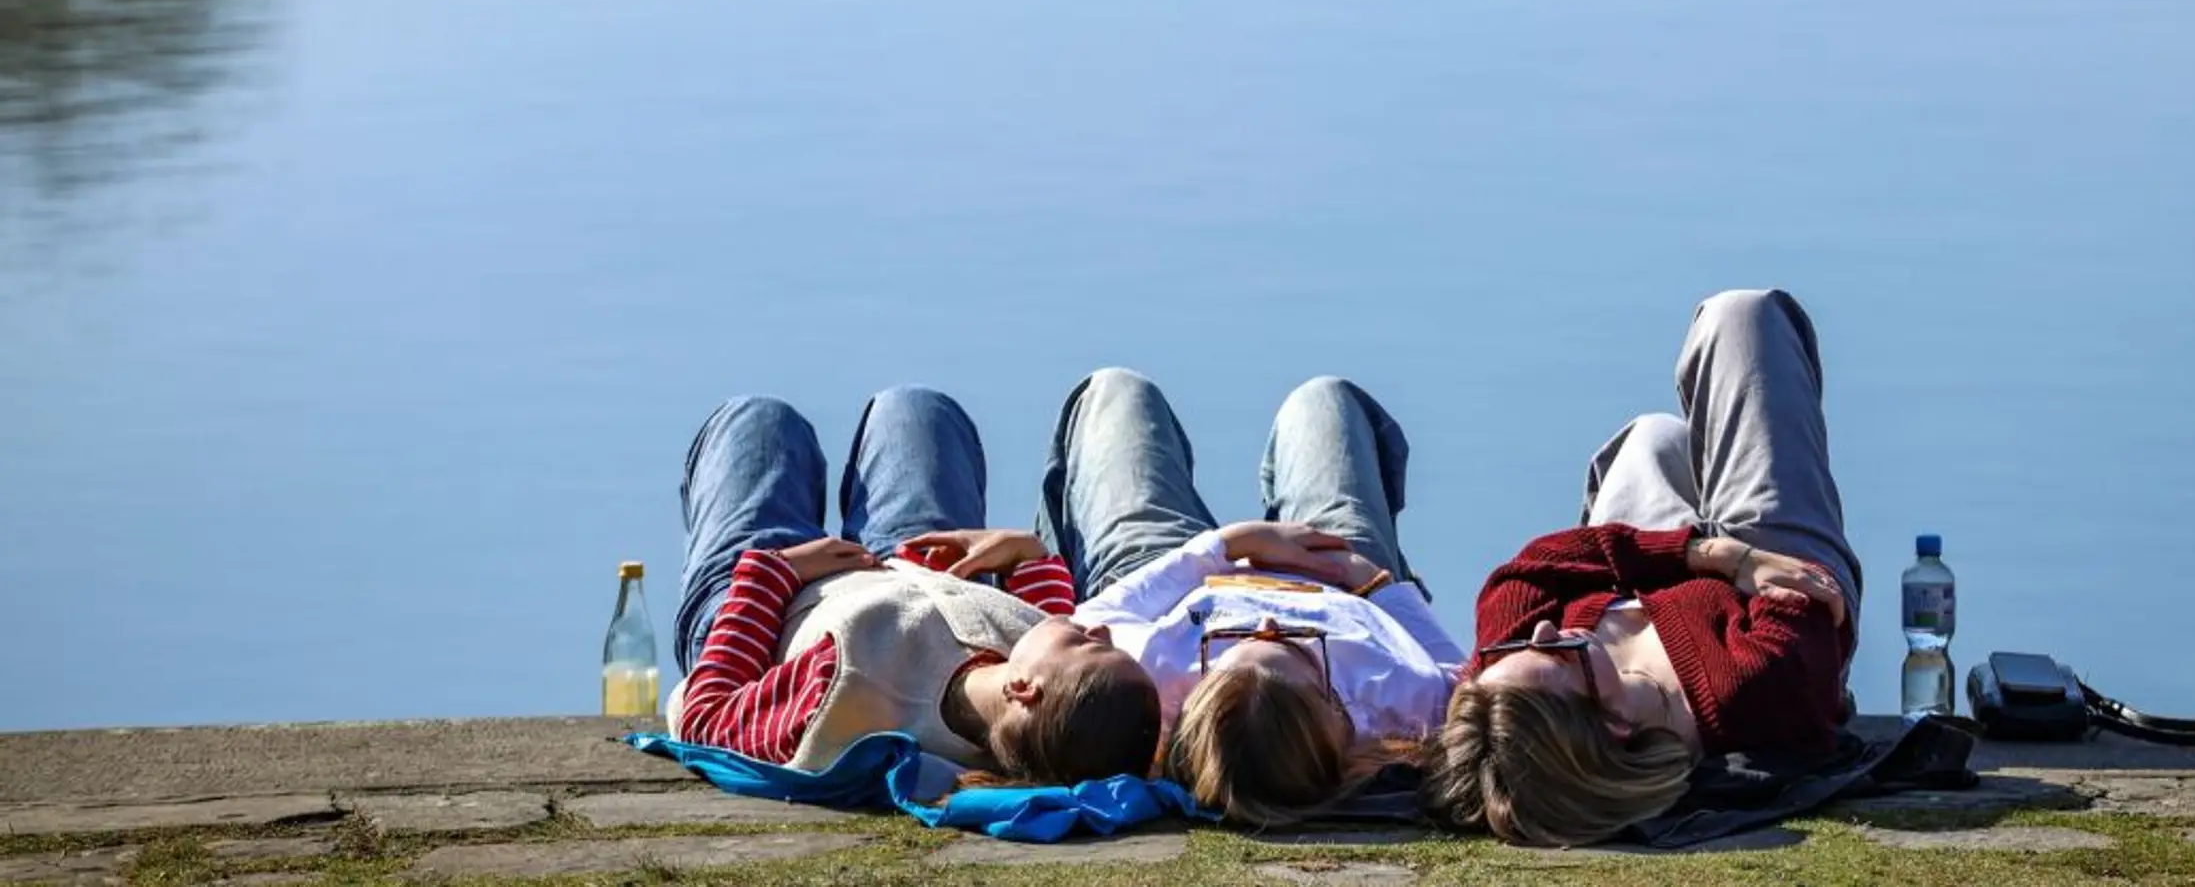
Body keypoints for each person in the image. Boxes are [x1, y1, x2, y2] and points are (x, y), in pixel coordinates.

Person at [1424, 290, 1862, 847]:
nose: (1540, 632)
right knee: (1744, 321)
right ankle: (1717, 490)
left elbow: (1527, 571)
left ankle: (1701, 510)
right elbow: (1799, 603)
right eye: (1559, 653)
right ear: (1615, 725)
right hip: (1785, 565)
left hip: (1691, 563)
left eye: (1505, 653)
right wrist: (1747, 554)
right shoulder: (1748, 690)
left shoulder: (1506, 695)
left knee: (1651, 438)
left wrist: (1707, 554)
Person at [1041, 369, 1468, 827]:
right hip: (1342, 576)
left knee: (1116, 392)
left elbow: (1087, 620)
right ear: (1336, 712)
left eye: (1229, 646)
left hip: (1176, 577)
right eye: (1297, 647)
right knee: (1325, 400)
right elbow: (1463, 674)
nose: (1266, 626)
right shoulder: (1403, 705)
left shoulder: (1154, 688)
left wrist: (1229, 545)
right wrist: (1377, 584)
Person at [669, 389, 1161, 782]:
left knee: (758, 423)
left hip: (768, 608)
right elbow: (1041, 619)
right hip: (906, 569)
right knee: (919, 410)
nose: (1103, 633)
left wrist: (771, 575)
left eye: (1085, 644)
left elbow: (706, 720)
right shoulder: (1024, 713)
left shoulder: (846, 691)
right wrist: (1025, 555)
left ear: (1022, 687)